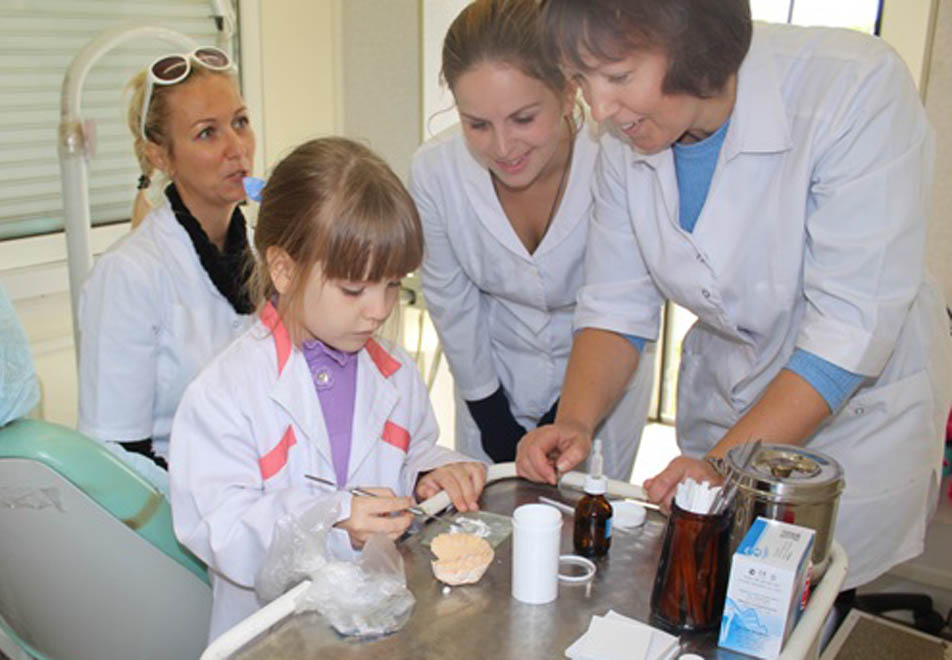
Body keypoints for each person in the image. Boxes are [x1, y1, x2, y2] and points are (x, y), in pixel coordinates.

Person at [518, 0, 952, 590]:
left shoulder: (853, 87)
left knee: (814, 596)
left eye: (618, 76)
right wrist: (574, 419)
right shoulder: (623, 134)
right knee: (722, 592)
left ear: (692, 43)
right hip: (730, 400)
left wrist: (722, 463)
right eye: (580, 79)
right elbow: (615, 304)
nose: (599, 109)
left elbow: (848, 332)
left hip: (850, 421)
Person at [170, 137, 487, 639]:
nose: (379, 309)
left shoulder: (395, 373)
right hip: (273, 638)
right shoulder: (224, 394)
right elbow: (221, 530)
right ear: (284, 270)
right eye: (353, 289)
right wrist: (330, 520)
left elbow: (410, 452)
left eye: (392, 283)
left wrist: (430, 473)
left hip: (376, 621)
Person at [409, 0, 654, 475]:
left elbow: (623, 301)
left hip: (604, 381)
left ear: (568, 90)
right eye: (477, 124)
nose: (503, 147)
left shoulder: (619, 157)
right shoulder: (435, 171)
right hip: (492, 375)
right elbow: (451, 301)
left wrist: (569, 416)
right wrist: (491, 416)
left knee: (587, 516)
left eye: (523, 119)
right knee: (490, 514)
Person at [76, 46, 256, 483]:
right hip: (171, 504)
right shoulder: (129, 275)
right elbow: (117, 458)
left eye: (240, 122)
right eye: (207, 133)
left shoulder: (266, 253)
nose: (236, 148)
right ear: (160, 156)